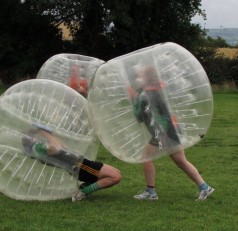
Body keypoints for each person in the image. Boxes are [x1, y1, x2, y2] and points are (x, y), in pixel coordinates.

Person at [129, 65, 214, 201]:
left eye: (141, 75)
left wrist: (133, 99)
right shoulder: (151, 92)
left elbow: (139, 116)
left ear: (148, 78)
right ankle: (204, 187)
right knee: (181, 161)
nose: (138, 78)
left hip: (164, 132)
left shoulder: (150, 95)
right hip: (169, 131)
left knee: (146, 157)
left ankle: (151, 192)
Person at [22, 124, 121, 202]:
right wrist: (46, 134)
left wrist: (50, 135)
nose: (39, 135)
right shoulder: (37, 148)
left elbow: (62, 146)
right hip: (79, 166)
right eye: (37, 134)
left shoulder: (40, 146)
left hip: (81, 163)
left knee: (116, 173)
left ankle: (85, 187)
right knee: (115, 177)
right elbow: (56, 148)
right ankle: (82, 193)